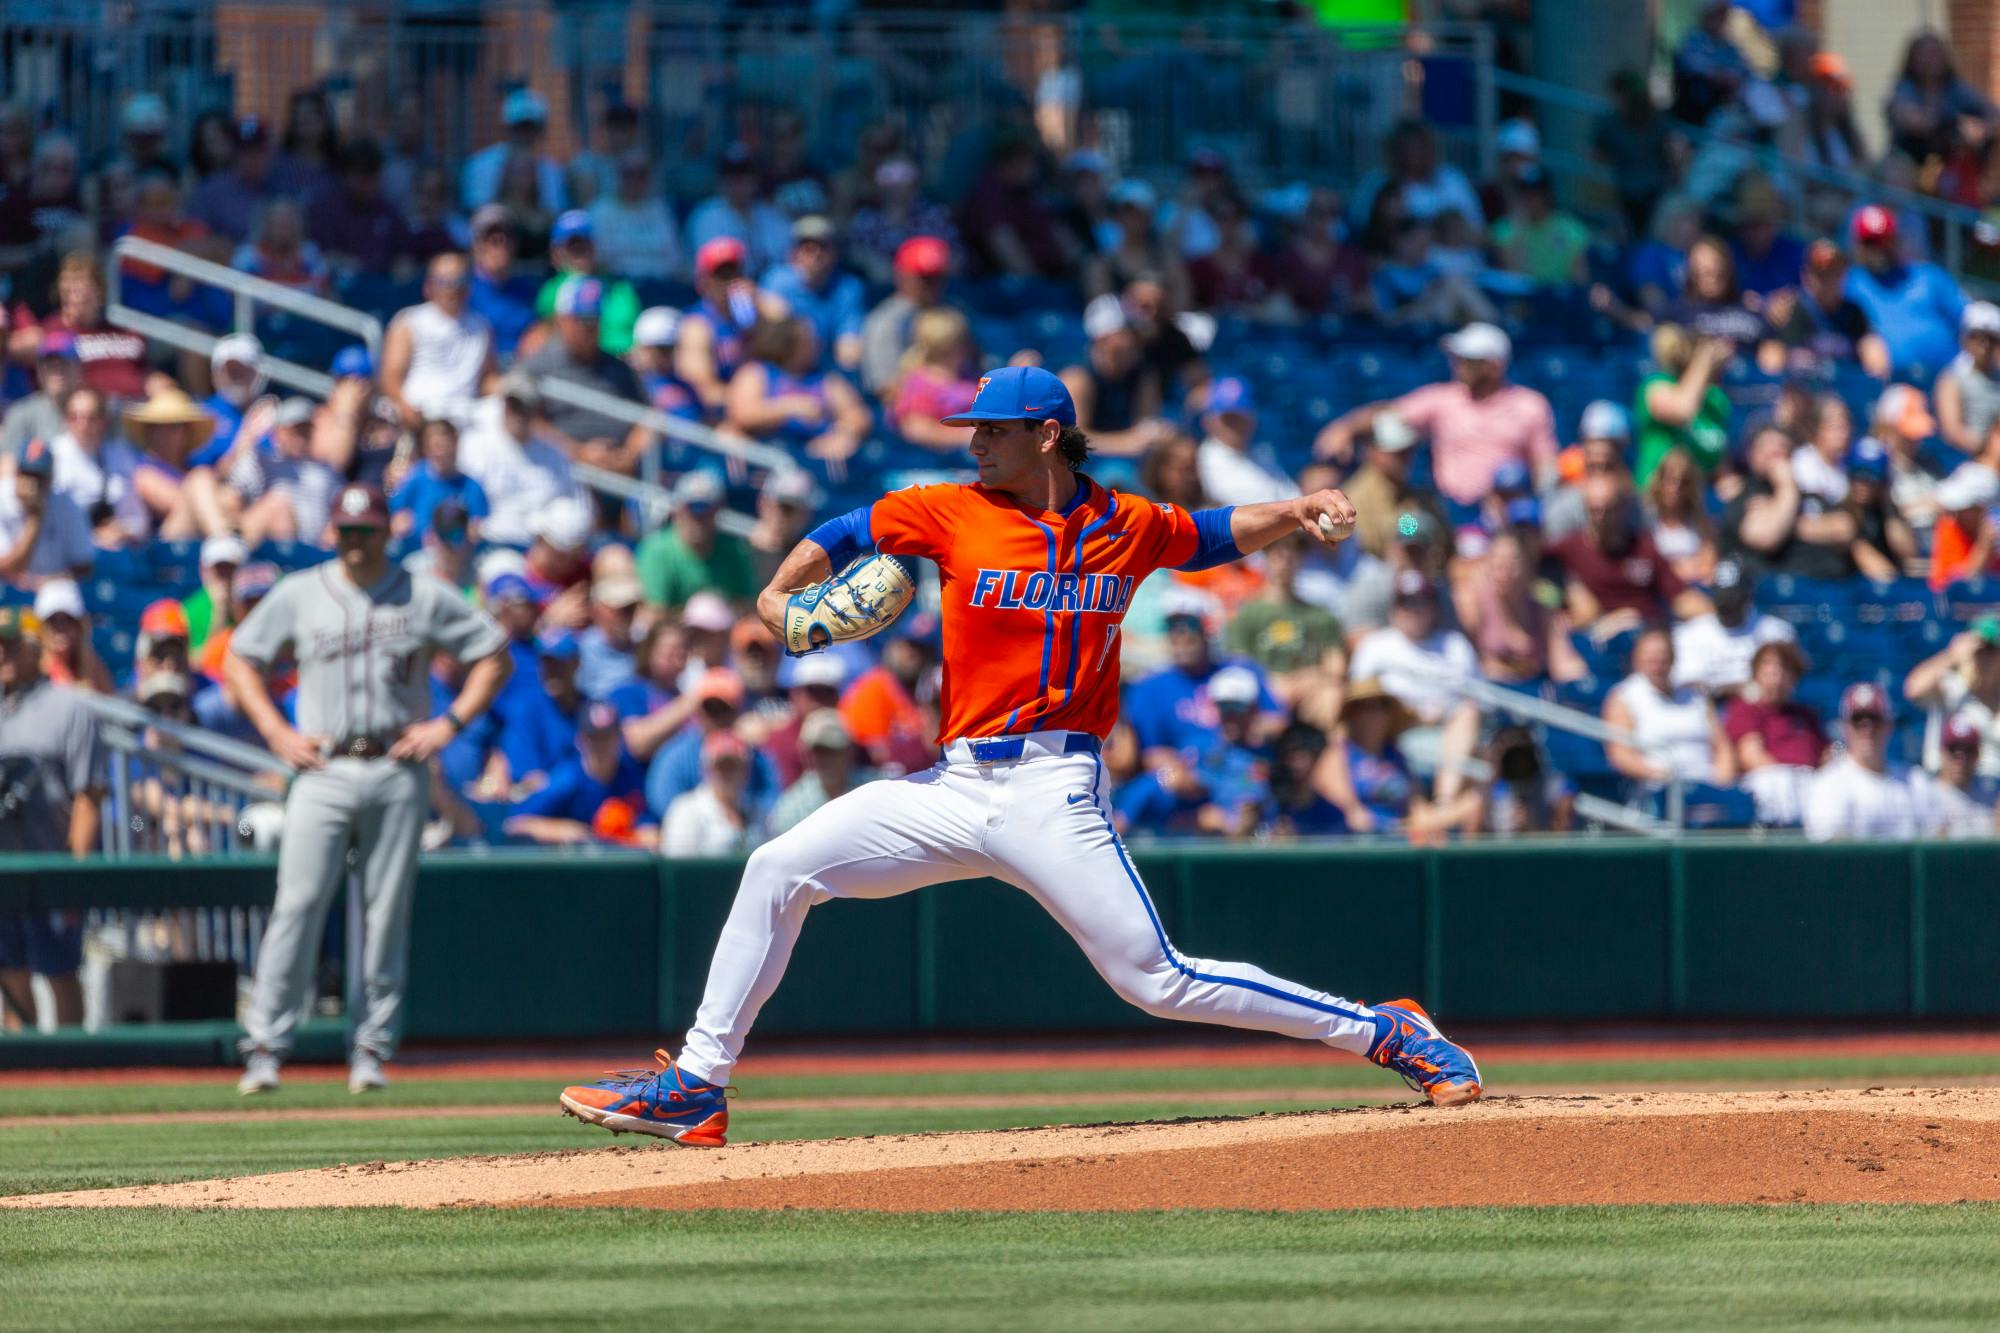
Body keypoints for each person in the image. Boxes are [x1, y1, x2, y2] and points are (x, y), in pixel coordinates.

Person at [556, 364, 1481, 1145]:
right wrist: (777, 597)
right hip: (952, 784)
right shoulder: (950, 512)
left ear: (1045, 435)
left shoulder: (1122, 521)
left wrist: (1300, 505)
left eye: (990, 430)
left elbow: (1205, 536)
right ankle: (698, 1084)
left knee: (1155, 980)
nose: (973, 445)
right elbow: (844, 531)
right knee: (776, 866)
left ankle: (1385, 1030)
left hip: (1052, 786)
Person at [226, 483, 510, 1096]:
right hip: (322, 768)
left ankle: (371, 1050)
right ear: (334, 531)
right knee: (297, 906)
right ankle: (265, 1049)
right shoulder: (301, 592)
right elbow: (240, 658)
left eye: (367, 530)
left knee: (385, 913)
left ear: (387, 531)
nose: (356, 541)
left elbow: (493, 653)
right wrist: (276, 731)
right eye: (347, 530)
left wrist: (448, 724)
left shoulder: (423, 594)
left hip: (394, 766)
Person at [1315, 323, 1557, 522]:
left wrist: (1532, 504)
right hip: (1445, 509)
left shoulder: (1530, 405)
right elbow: (1389, 413)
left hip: (1506, 512)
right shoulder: (1444, 399)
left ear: (1493, 366)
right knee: (1408, 526)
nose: (1458, 366)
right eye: (1457, 359)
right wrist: (1346, 428)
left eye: (1468, 360)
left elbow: (1545, 466)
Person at [0, 607, 102, 1032]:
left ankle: (72, 1071)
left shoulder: (69, 707)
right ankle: (25, 1073)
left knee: (60, 974)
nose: (1, 653)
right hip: (4, 870)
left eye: (9, 644)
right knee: (10, 976)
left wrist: (73, 875)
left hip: (50, 863)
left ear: (33, 648)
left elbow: (88, 798)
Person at [517, 276, 649, 471]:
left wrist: (628, 455)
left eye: (594, 319)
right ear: (562, 320)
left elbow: (647, 417)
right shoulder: (539, 364)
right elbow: (525, 418)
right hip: (563, 472)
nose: (589, 327)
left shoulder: (619, 368)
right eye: (582, 320)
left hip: (621, 470)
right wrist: (578, 451)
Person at [722, 316, 872, 477]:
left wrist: (845, 433)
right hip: (768, 454)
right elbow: (743, 415)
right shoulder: (757, 373)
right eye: (807, 340)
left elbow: (858, 415)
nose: (816, 344)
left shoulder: (825, 380)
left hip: (815, 458)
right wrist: (790, 407)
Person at [456, 372, 585, 547]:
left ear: (535, 412)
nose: (516, 413)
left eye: (523, 407)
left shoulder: (553, 455)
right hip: (490, 545)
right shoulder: (475, 444)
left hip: (545, 548)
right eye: (512, 405)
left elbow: (573, 505)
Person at [1604, 628, 1737, 792]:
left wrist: (1722, 782)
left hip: (1706, 784)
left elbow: (1723, 747)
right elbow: (1621, 755)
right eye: (1650, 656)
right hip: (1660, 789)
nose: (1657, 661)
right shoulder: (1625, 696)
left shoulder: (1695, 696)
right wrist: (1664, 777)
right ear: (1637, 659)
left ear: (1672, 659)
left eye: (1662, 655)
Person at [1803, 683, 1941, 841]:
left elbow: (1939, 837)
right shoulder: (1829, 784)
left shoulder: (1915, 780)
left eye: (1874, 719)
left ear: (1889, 725)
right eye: (1858, 720)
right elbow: (1830, 851)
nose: (1867, 727)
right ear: (1845, 728)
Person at [502, 701, 649, 847]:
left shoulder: (630, 777)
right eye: (594, 738)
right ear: (580, 740)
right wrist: (560, 830)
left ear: (619, 738)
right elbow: (514, 822)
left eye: (607, 737)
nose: (601, 746)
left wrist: (633, 835)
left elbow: (649, 827)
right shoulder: (567, 779)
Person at [1844, 206, 1964, 378]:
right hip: (1889, 385)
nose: (1878, 249)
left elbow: (1967, 318)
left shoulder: (1929, 276)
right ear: (1857, 245)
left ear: (1897, 240)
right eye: (1870, 242)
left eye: (1884, 240)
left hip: (1945, 378)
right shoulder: (1850, 284)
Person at [381, 253, 497, 429]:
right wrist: (407, 410)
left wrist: (511, 388)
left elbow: (487, 379)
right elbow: (391, 377)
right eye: (445, 281)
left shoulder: (481, 327)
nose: (453, 288)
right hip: (421, 409)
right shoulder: (409, 321)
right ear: (428, 286)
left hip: (466, 412)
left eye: (459, 281)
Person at [1723, 640, 1827, 826]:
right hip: (1771, 783)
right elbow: (1751, 756)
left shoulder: (1806, 715)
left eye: (1783, 669)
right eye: (1768, 667)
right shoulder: (1746, 709)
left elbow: (1825, 755)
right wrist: (1790, 776)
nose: (1775, 675)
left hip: (1810, 783)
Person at [1757, 240, 1891, 380]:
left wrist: (1873, 363)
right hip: (1807, 390)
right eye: (1821, 274)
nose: (1827, 281)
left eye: (1833, 273)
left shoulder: (1853, 312)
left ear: (1844, 275)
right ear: (1806, 276)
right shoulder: (1793, 310)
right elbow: (1771, 358)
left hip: (1845, 389)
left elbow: (1875, 355)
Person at [1059, 295, 1170, 457]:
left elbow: (1145, 424)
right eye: (1127, 332)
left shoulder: (1143, 375)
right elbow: (1071, 440)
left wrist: (1157, 435)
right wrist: (1125, 443)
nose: (1135, 339)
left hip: (1130, 460)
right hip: (1090, 466)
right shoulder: (1077, 378)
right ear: (1102, 338)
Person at [1669, 558, 1798, 697]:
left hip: (1760, 711)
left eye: (1733, 599)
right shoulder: (1689, 634)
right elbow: (1689, 686)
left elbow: (1782, 686)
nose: (1727, 606)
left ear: (1748, 596)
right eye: (1722, 599)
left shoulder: (1776, 632)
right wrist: (1740, 688)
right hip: (1710, 710)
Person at [636, 470, 759, 610]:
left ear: (717, 510)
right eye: (692, 508)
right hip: (676, 629)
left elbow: (747, 604)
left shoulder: (735, 551)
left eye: (706, 509)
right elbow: (655, 612)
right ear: (678, 509)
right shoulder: (657, 552)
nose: (699, 516)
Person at [760, 216, 866, 373]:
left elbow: (849, 351)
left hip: (825, 371)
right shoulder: (776, 280)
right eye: (806, 246)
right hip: (781, 367)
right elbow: (774, 337)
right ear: (793, 253)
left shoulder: (848, 288)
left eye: (822, 246)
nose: (815, 253)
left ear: (835, 253)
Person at [1633, 325, 1731, 486]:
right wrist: (1704, 360)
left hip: (1695, 498)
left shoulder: (1716, 398)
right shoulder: (1656, 385)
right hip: (1656, 494)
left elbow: (1718, 453)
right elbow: (1683, 410)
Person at [859, 234, 954, 397]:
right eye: (924, 278)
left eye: (937, 277)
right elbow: (885, 387)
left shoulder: (953, 313)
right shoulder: (885, 322)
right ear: (902, 276)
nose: (932, 285)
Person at [1905, 621, 2000, 778]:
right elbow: (1914, 689)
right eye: (1980, 651)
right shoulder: (1953, 686)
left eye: (1992, 650)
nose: (1985, 658)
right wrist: (1952, 654)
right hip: (1946, 784)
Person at [0, 438, 93, 590]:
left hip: (55, 590)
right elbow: (5, 569)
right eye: (26, 473)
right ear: (16, 473)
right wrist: (35, 518)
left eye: (38, 476)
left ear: (50, 479)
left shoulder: (67, 504)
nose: (31, 483)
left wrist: (47, 582)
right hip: (7, 591)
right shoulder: (2, 499)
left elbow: (84, 566)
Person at [887, 307, 979, 452]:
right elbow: (917, 430)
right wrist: (965, 436)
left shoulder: (969, 376)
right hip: (935, 468)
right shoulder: (918, 384)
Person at [460, 88, 567, 213]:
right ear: (507, 128)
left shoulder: (552, 170)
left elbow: (555, 210)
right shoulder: (481, 164)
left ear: (541, 130)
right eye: (520, 127)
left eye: (532, 127)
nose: (526, 134)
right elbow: (475, 209)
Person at [1195, 378, 1297, 508]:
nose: (1235, 425)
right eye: (1228, 419)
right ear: (1209, 420)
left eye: (1241, 418)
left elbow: (1292, 494)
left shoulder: (1261, 453)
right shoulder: (1204, 457)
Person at [587, 149, 683, 282]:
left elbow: (675, 259)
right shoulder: (600, 211)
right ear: (617, 175)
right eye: (629, 174)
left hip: (661, 284)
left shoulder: (660, 210)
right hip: (618, 285)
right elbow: (597, 261)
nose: (634, 181)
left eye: (641, 175)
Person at [389, 417, 488, 541]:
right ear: (426, 448)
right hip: (415, 551)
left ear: (456, 445)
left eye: (445, 446)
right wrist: (398, 521)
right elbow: (394, 512)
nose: (441, 453)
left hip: (456, 554)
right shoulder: (414, 479)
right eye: (435, 446)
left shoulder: (472, 487)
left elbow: (478, 527)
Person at [1645, 446, 1718, 585]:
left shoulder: (1699, 521)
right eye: (1670, 480)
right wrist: (1681, 568)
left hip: (1693, 588)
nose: (1675, 488)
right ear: (1659, 480)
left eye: (1683, 482)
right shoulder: (1645, 519)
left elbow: (1709, 565)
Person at [1935, 302, 2000, 454]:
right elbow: (1952, 430)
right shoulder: (1952, 378)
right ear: (1965, 338)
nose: (1984, 345)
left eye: (1991, 338)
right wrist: (1988, 453)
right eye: (1976, 336)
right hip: (1967, 461)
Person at [33, 578, 110, 693]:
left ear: (79, 626)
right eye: (52, 621)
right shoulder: (31, 669)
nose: (60, 629)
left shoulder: (93, 667)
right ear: (41, 627)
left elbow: (109, 703)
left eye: (68, 619)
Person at [1931, 713, 2000, 836]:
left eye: (1968, 750)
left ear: (1979, 754)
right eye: (1953, 750)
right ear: (1942, 753)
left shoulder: (1993, 794)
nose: (1961, 759)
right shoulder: (1927, 796)